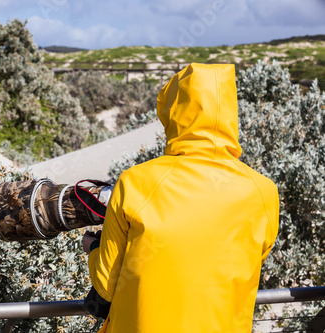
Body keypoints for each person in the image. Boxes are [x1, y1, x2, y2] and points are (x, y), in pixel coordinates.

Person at [82, 63, 279, 332]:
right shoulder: (264, 191)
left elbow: (106, 284)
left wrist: (93, 248)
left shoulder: (137, 181)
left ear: (173, 114)